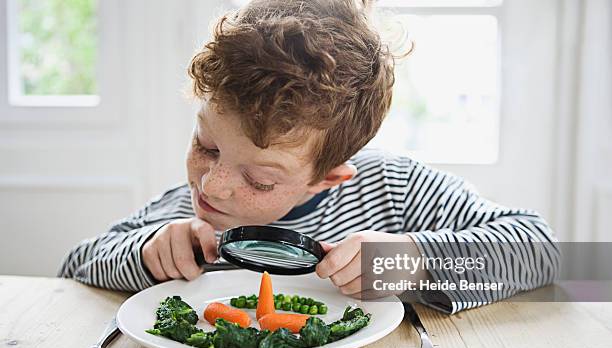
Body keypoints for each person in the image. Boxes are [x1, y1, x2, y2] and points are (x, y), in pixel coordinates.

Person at [58, 0, 558, 313]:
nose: (211, 185)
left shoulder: (393, 189)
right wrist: (144, 253)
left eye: (259, 179)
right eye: (205, 146)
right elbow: (73, 267)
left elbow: (541, 250)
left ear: (328, 178)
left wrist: (415, 262)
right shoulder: (186, 218)